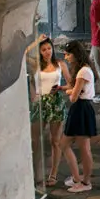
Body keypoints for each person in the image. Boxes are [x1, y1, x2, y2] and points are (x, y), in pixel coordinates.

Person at [29, 36, 72, 186]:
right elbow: (22, 55)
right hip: (40, 103)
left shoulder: (60, 64)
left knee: (55, 141)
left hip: (55, 103)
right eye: (43, 49)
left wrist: (60, 88)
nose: (47, 52)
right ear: (39, 51)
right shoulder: (36, 65)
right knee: (35, 140)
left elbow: (71, 84)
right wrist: (35, 41)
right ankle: (36, 173)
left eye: (49, 48)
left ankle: (53, 174)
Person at [59, 40, 98, 193]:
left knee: (84, 148)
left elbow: (73, 96)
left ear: (76, 54)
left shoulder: (83, 72)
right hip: (79, 109)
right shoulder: (81, 69)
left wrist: (69, 91)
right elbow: (73, 88)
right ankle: (77, 177)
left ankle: (86, 181)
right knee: (64, 144)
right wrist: (64, 88)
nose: (66, 57)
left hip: (82, 108)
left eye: (68, 54)